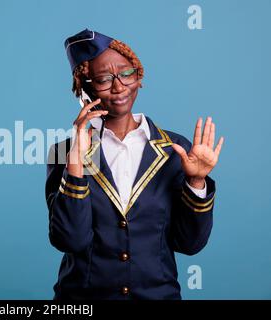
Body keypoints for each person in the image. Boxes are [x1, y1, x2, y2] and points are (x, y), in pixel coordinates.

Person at [45, 28, 224, 300]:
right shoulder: (63, 153)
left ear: (138, 76)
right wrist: (76, 164)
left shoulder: (176, 149)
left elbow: (189, 244)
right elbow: (71, 240)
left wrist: (196, 183)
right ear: (85, 88)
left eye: (127, 74)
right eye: (104, 79)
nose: (119, 87)